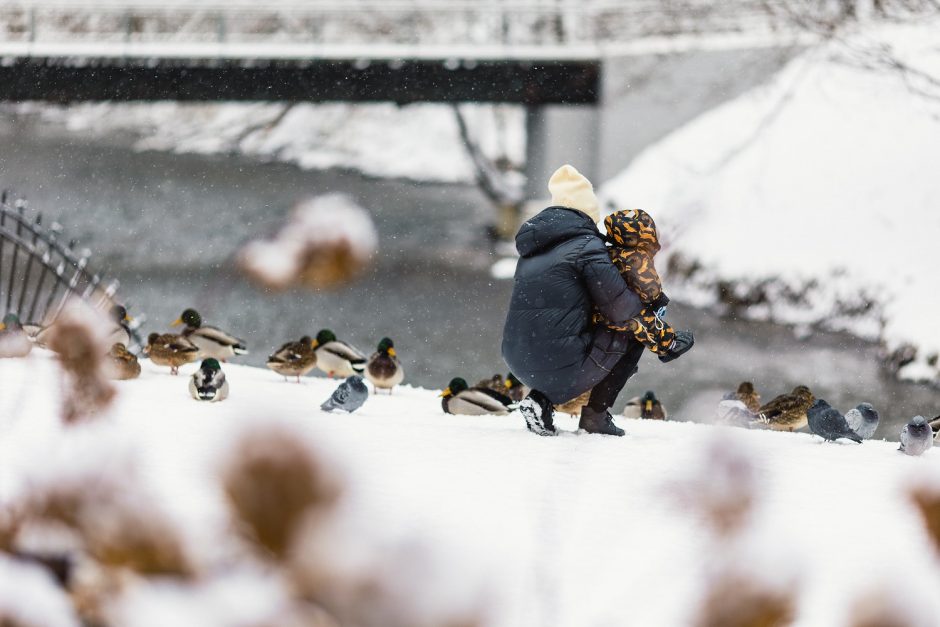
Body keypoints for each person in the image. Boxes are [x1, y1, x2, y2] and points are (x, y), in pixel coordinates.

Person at [501, 164, 693, 437]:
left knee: (565, 331)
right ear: (587, 211)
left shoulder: (534, 249)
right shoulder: (586, 248)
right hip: (558, 363)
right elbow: (623, 310)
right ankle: (595, 417)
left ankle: (541, 400)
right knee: (632, 331)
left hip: (516, 358)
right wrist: (667, 342)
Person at [594, 208, 693, 361]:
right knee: (642, 319)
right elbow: (650, 290)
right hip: (617, 312)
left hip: (600, 309)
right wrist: (658, 300)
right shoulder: (638, 258)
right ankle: (668, 345)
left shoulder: (608, 251)